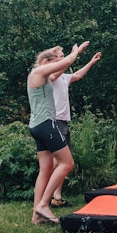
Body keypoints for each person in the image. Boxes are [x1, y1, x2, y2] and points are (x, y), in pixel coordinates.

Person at [27, 41, 89, 225]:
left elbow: (62, 71)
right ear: (46, 61)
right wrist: (75, 52)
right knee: (67, 163)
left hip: (36, 126)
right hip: (46, 125)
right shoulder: (38, 72)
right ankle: (44, 204)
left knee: (45, 170)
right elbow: (67, 62)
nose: (56, 65)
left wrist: (78, 57)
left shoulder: (41, 76)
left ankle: (36, 216)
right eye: (55, 61)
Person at [48, 50, 101, 207]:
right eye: (61, 57)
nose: (64, 59)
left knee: (63, 162)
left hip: (63, 122)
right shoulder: (51, 76)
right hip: (55, 121)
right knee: (57, 161)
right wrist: (75, 53)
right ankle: (48, 196)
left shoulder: (63, 77)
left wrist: (91, 62)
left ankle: (56, 196)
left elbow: (77, 75)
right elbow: (62, 68)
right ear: (53, 60)